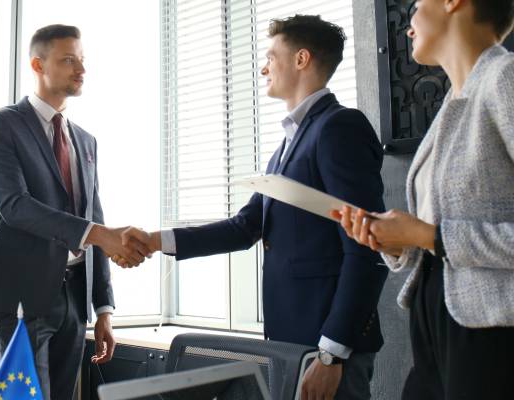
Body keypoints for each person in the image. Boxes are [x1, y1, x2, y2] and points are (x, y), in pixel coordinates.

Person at [120, 15, 388, 400]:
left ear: (301, 59)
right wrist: (153, 239)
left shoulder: (339, 127)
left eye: (271, 57)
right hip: (289, 339)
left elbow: (366, 245)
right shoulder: (286, 147)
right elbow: (245, 227)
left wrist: (331, 354)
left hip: (326, 343)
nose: (263, 67)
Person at [334, 0, 514, 398]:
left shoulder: (505, 78)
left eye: (415, 6)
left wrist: (429, 236)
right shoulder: (451, 103)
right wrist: (400, 242)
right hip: (435, 329)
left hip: (492, 338)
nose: (408, 24)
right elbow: (437, 236)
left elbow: (438, 236)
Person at [0, 24, 148, 399]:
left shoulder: (85, 140)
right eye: (69, 60)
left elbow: (95, 216)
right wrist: (100, 234)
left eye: (82, 60)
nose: (80, 69)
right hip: (22, 293)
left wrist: (103, 308)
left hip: (75, 299)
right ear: (38, 64)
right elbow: (15, 206)